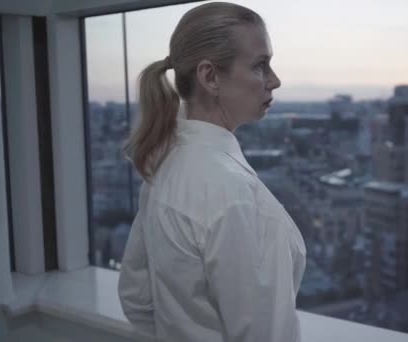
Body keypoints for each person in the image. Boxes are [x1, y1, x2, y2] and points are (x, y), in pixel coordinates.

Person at [117, 2, 307, 341]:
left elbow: (137, 299)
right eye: (260, 66)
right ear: (210, 76)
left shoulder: (165, 166)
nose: (274, 81)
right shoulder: (234, 196)